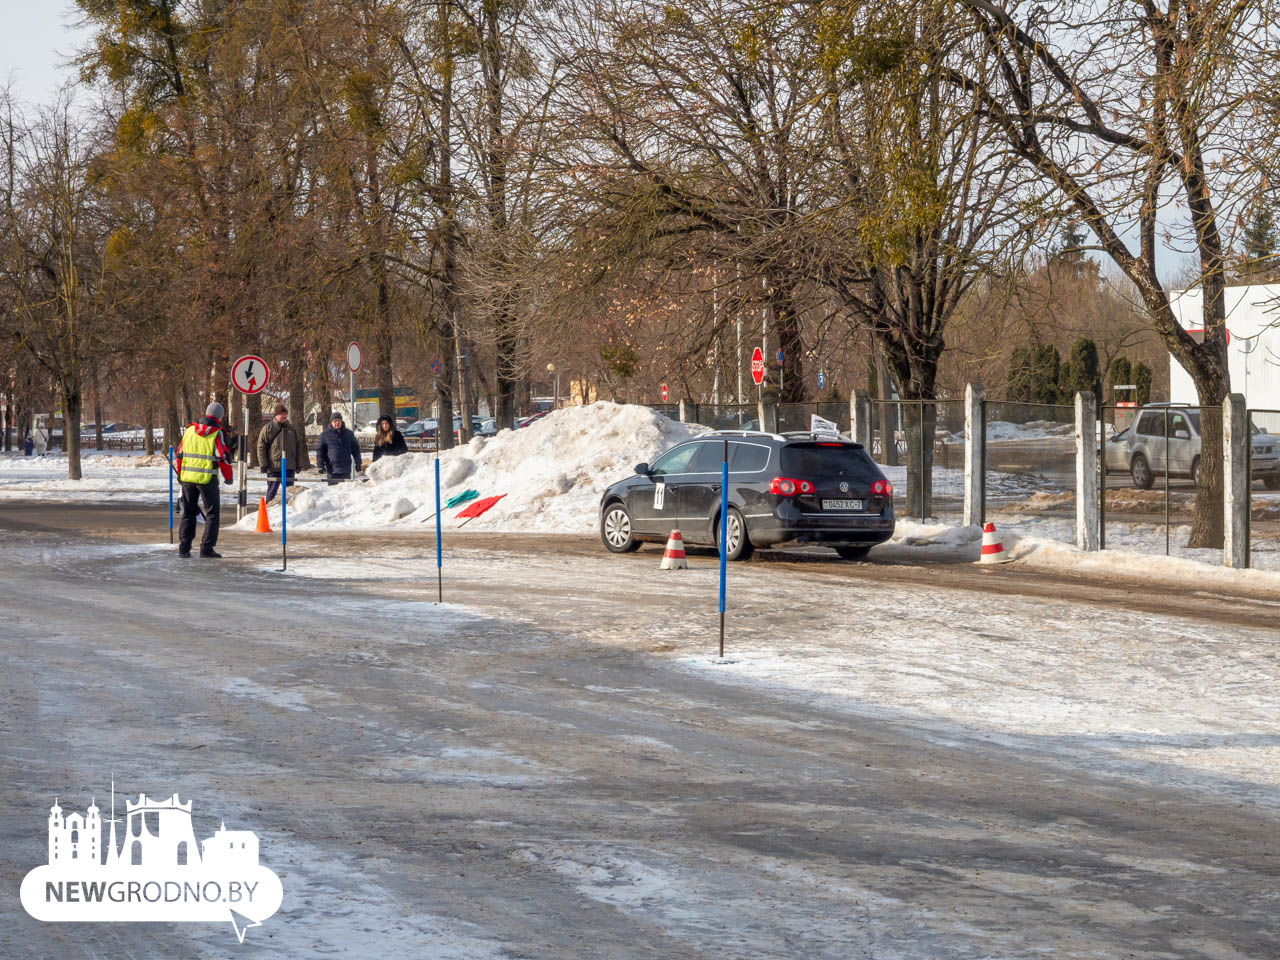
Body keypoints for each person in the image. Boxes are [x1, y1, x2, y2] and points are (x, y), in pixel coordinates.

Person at [175, 401, 234, 558]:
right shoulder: (217, 433)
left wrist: (180, 474)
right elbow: (222, 457)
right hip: (207, 479)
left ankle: (184, 547)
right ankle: (206, 548)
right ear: (220, 417)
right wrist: (228, 476)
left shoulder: (189, 431)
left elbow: (179, 454)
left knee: (188, 512)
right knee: (212, 514)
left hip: (188, 479)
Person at [257, 402, 308, 501]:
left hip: (289, 467)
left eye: (285, 414)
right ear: (276, 415)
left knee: (289, 494)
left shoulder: (291, 429)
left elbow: (298, 448)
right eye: (281, 414)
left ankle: (287, 513)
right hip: (274, 467)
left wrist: (298, 464)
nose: (284, 416)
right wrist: (263, 464)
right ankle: (269, 511)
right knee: (271, 493)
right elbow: (261, 446)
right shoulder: (268, 428)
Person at [316, 411, 362, 484]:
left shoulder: (349, 434)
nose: (337, 423)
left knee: (345, 493)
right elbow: (320, 452)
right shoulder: (325, 435)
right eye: (335, 421)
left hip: (345, 470)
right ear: (331, 422)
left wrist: (358, 463)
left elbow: (356, 449)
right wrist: (320, 465)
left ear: (341, 421)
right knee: (334, 493)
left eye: (338, 421)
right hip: (332, 470)